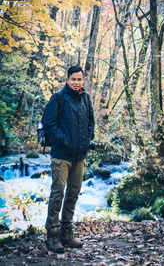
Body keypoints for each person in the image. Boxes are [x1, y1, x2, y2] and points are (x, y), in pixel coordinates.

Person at [43, 65, 95, 253]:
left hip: (80, 156)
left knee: (73, 194)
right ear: (67, 79)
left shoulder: (86, 98)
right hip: (61, 155)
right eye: (73, 79)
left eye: (79, 79)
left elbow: (91, 122)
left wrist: (89, 138)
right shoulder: (58, 98)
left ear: (83, 80)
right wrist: (64, 140)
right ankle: (52, 236)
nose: (76, 82)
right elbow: (49, 123)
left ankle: (66, 233)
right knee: (58, 194)